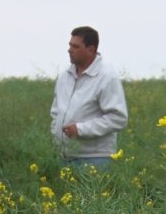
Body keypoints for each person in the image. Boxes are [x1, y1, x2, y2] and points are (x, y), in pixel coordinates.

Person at [50, 26, 128, 169]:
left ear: (91, 49)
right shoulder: (64, 77)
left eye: (75, 46)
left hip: (96, 159)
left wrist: (80, 129)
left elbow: (118, 119)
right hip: (64, 157)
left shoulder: (106, 77)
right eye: (69, 45)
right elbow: (56, 113)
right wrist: (56, 137)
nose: (69, 49)